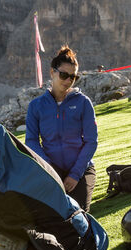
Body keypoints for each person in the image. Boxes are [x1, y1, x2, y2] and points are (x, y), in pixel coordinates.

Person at [25, 46, 98, 212]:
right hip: (50, 170)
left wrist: (74, 175)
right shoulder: (36, 106)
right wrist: (50, 170)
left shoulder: (83, 103)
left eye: (73, 77)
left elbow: (91, 142)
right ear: (52, 72)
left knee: (79, 215)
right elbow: (31, 141)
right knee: (52, 214)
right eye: (63, 75)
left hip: (81, 170)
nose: (68, 81)